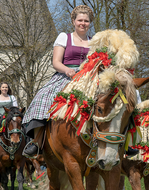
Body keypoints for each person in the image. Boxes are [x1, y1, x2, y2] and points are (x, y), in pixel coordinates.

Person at [22, 5, 94, 157]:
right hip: (66, 75)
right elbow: (56, 62)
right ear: (74, 21)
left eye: (86, 21)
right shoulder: (64, 37)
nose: (83, 23)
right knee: (43, 96)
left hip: (89, 78)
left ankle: (121, 144)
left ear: (90, 23)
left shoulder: (94, 41)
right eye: (80, 20)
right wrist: (67, 70)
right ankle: (37, 141)